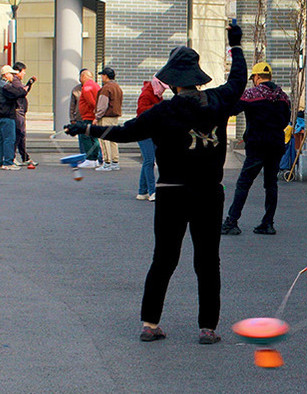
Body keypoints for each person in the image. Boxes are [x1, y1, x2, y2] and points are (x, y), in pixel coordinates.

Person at [65, 23, 247, 344]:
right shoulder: (218, 102)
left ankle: (150, 324)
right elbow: (237, 80)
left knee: (164, 257)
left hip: (170, 193)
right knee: (207, 260)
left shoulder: (162, 112)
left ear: (172, 82)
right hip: (208, 192)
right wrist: (235, 45)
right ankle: (208, 328)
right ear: (197, 77)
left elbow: (124, 133)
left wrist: (85, 129)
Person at [220, 61, 291, 236]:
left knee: (244, 183)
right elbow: (285, 120)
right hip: (276, 144)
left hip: (257, 145)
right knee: (271, 184)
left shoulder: (251, 94)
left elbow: (232, 110)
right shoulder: (283, 96)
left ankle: (231, 221)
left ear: (257, 77)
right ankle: (267, 223)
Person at [135, 76, 168, 202]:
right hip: (144, 131)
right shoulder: (147, 94)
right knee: (149, 161)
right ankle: (152, 191)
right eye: (163, 88)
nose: (163, 91)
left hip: (151, 131)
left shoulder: (155, 94)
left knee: (148, 161)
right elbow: (141, 111)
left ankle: (142, 191)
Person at [93, 67, 123, 171]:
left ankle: (107, 162)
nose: (101, 77)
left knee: (104, 140)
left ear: (105, 76)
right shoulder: (117, 87)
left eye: (102, 75)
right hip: (115, 117)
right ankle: (115, 162)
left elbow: (102, 105)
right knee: (113, 140)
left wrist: (97, 117)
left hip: (106, 117)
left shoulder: (106, 88)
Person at [0, 65, 27, 170]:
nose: (13, 76)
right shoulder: (5, 86)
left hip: (1, 116)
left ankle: (1, 162)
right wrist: (23, 90)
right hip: (7, 115)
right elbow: (17, 93)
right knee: (9, 139)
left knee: (1, 140)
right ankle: (8, 162)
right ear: (6, 75)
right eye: (11, 74)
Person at [11, 62, 37, 167]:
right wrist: (29, 83)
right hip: (18, 111)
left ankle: (24, 157)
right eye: (23, 71)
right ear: (18, 71)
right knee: (18, 134)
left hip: (20, 111)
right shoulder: (15, 81)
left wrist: (29, 83)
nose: (24, 74)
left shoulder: (17, 81)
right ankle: (12, 157)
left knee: (21, 135)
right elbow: (23, 91)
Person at [76, 69, 102, 168]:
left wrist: (95, 112)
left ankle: (90, 158)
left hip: (88, 116)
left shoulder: (87, 86)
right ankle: (94, 159)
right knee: (94, 137)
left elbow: (90, 101)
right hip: (93, 116)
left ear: (83, 76)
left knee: (85, 136)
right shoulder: (96, 85)